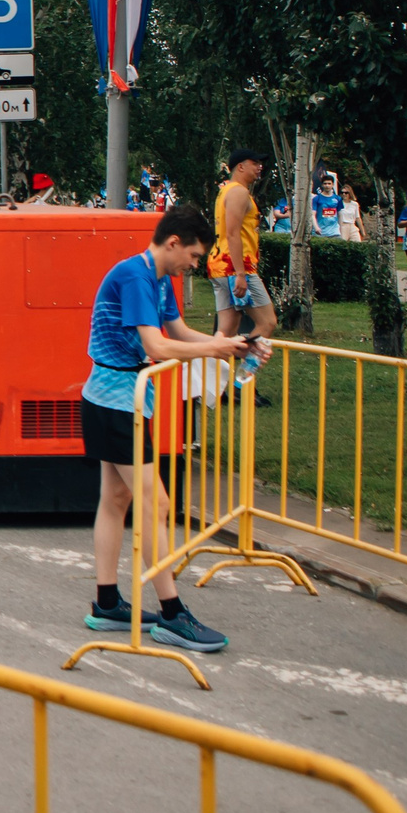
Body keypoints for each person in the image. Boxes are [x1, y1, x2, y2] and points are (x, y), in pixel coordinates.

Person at [80, 203, 249, 653]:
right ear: (173, 242)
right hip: (116, 400)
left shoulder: (157, 277)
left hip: (122, 398)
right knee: (156, 503)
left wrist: (225, 343)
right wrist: (215, 351)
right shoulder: (136, 276)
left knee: (117, 499)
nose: (193, 266)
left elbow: (177, 329)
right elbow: (156, 344)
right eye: (193, 257)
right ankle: (172, 614)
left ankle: (106, 602)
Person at [210, 152, 276, 400]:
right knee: (267, 323)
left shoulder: (226, 191)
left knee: (225, 334)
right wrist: (240, 274)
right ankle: (241, 385)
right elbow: (233, 233)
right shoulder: (238, 192)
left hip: (221, 265)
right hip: (237, 268)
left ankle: (210, 386)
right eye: (255, 164)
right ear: (240, 166)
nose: (259, 168)